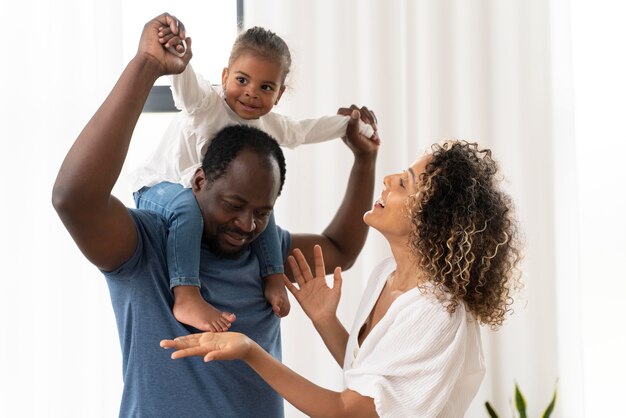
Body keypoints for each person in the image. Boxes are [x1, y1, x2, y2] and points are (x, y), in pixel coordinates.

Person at [51, 13, 378, 418]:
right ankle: (187, 296)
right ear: (200, 182)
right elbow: (73, 198)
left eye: (261, 211)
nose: (246, 225)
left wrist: (364, 158)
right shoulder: (148, 246)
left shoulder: (263, 246)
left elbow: (340, 249)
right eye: (233, 206)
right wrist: (147, 65)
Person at [161, 141, 523, 417]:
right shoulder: (387, 276)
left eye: (405, 183)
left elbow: (347, 411)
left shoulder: (436, 311)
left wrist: (251, 351)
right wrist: (324, 320)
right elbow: (367, 378)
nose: (388, 179)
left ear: (434, 219)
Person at [128, 20, 378, 332]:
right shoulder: (207, 105)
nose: (251, 94)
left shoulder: (269, 125)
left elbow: (303, 131)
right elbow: (186, 85)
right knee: (186, 209)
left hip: (202, 201)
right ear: (224, 77)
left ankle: (273, 276)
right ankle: (187, 294)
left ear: (279, 93)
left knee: (261, 208)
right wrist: (180, 56)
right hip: (162, 188)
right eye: (242, 80)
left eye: (265, 87)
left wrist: (350, 126)